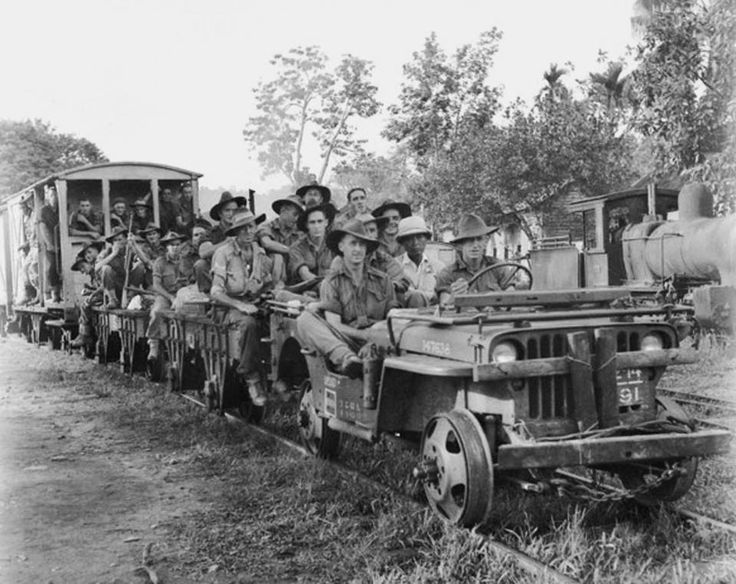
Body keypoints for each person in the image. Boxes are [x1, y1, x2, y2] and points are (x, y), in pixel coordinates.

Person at [296, 219, 398, 378]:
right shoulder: (331, 283)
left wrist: (373, 339)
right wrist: (365, 336)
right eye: (353, 244)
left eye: (362, 245)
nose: (358, 249)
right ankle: (347, 359)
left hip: (380, 342)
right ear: (341, 247)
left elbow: (394, 319)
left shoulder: (383, 280)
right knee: (304, 320)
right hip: (347, 341)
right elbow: (336, 325)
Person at [209, 208, 274, 406]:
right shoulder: (223, 254)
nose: (248, 232)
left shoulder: (260, 253)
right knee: (249, 325)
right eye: (242, 229)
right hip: (228, 309)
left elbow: (268, 283)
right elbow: (215, 292)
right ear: (235, 232)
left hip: (255, 304)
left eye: (251, 227)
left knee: (283, 322)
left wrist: (270, 293)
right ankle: (251, 377)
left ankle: (279, 378)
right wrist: (239, 305)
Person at [145, 232, 195, 363]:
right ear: (166, 247)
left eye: (178, 244)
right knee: (157, 311)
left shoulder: (187, 261)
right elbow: (156, 285)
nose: (175, 247)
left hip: (184, 295)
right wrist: (171, 298)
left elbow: (192, 281)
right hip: (165, 295)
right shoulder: (160, 262)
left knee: (195, 315)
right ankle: (154, 343)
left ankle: (192, 344)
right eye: (172, 245)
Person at [330, 214, 410, 294]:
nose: (368, 235)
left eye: (372, 230)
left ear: (377, 233)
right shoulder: (340, 261)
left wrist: (385, 286)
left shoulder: (383, 259)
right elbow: (332, 284)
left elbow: (402, 281)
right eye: (364, 231)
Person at [435, 213, 504, 306]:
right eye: (470, 240)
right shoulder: (447, 274)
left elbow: (514, 299)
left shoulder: (498, 267)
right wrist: (453, 297)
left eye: (479, 239)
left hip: (496, 319)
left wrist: (497, 296)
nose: (475, 245)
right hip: (464, 319)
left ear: (485, 242)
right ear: (461, 244)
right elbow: (444, 307)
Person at [194, 191, 248, 293]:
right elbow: (203, 252)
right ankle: (210, 297)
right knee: (200, 265)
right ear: (220, 213)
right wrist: (227, 242)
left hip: (240, 270)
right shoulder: (212, 233)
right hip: (217, 273)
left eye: (235, 210)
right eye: (227, 210)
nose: (231, 214)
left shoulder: (244, 230)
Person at [395, 216, 442, 307]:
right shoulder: (395, 266)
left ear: (426, 239)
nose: (415, 242)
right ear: (402, 242)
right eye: (409, 238)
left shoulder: (438, 267)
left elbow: (444, 296)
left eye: (419, 237)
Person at [257, 195, 304, 284]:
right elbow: (267, 243)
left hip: (292, 277)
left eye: (299, 216)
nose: (296, 219)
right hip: (268, 277)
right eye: (294, 214)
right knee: (277, 257)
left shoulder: (299, 233)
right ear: (283, 211)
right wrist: (290, 250)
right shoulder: (267, 226)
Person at [95, 227, 145, 308]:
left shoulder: (129, 250)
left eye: (120, 239)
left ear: (125, 240)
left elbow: (143, 261)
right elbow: (96, 268)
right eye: (115, 240)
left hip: (128, 285)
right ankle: (113, 300)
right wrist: (113, 254)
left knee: (140, 267)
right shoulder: (107, 252)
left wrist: (134, 245)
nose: (118, 242)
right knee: (106, 269)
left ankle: (129, 298)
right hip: (113, 285)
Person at [70, 241, 106, 348]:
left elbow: (105, 285)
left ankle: (85, 335)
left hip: (111, 294)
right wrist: (90, 291)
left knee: (86, 304)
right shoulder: (93, 273)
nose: (82, 271)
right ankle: (85, 334)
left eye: (82, 267)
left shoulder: (100, 264)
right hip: (105, 294)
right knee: (85, 304)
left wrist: (93, 293)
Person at [288, 203, 335, 284]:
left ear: (326, 222)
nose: (316, 226)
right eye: (312, 222)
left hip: (333, 287)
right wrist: (325, 286)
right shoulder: (297, 247)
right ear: (307, 225)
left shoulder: (335, 243)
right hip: (306, 289)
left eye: (320, 221)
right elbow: (304, 274)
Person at [38, 183, 61, 303]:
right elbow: (43, 227)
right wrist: (50, 244)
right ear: (48, 197)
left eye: (56, 195)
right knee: (52, 267)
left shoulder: (63, 208)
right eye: (52, 195)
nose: (54, 198)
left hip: (62, 241)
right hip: (51, 242)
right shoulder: (44, 210)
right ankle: (54, 293)